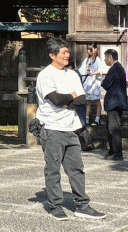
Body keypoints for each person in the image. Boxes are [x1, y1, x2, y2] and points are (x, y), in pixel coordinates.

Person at [36, 38, 106, 220]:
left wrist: (68, 99)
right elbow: (55, 99)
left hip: (72, 127)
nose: (67, 55)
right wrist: (71, 97)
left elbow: (82, 99)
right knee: (53, 169)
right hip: (52, 127)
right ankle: (55, 205)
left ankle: (82, 205)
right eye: (63, 52)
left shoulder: (73, 74)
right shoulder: (45, 75)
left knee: (76, 169)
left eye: (68, 52)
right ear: (53, 55)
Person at [101, 49, 128, 160]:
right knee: (110, 128)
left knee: (114, 128)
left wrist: (103, 82)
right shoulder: (118, 68)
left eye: (105, 58)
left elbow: (106, 84)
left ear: (110, 58)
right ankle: (112, 151)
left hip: (114, 102)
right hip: (115, 102)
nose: (105, 60)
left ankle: (117, 153)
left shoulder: (115, 69)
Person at [68, 59, 94, 152]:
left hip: (78, 100)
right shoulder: (74, 74)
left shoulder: (74, 74)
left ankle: (88, 143)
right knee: (78, 124)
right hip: (76, 101)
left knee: (80, 124)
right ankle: (85, 143)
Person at [79, 42, 107, 126]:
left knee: (97, 102)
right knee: (88, 102)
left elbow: (100, 70)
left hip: (94, 84)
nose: (89, 51)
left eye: (90, 49)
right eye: (88, 49)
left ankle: (97, 119)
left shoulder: (98, 60)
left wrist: (92, 74)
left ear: (95, 49)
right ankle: (87, 119)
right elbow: (81, 70)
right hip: (87, 84)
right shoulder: (86, 60)